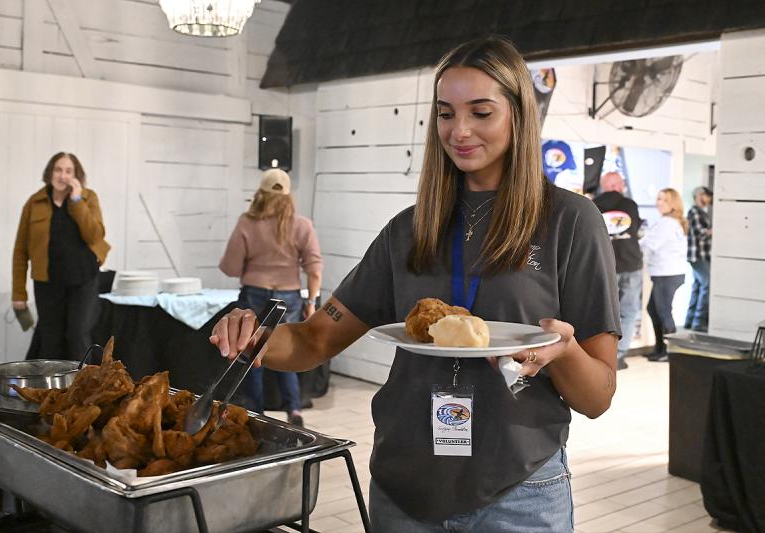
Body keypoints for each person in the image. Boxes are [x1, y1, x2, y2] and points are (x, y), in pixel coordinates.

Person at [213, 37, 620, 531]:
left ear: (519, 114)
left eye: (481, 112)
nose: (460, 130)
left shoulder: (570, 221)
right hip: (404, 488)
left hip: (519, 491)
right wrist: (253, 336)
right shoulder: (409, 228)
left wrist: (566, 351)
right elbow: (313, 339)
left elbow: (597, 396)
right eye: (446, 113)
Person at [219, 168, 322, 427]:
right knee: (288, 352)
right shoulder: (302, 225)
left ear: (260, 194)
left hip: (254, 292)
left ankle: (256, 413)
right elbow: (314, 269)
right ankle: (294, 409)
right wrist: (311, 303)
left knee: (252, 354)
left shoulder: (247, 222)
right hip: (289, 296)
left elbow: (230, 268)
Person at [12, 152, 110, 360]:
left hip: (83, 280)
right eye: (58, 169)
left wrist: (76, 200)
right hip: (47, 283)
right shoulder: (34, 202)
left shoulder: (88, 198)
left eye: (68, 171)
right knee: (50, 339)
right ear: (50, 173)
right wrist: (19, 293)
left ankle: (86, 389)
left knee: (77, 335)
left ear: (76, 176)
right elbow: (20, 250)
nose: (62, 175)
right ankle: (52, 391)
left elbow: (95, 234)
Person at [594, 171, 643, 370]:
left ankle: (602, 355)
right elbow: (637, 228)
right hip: (631, 264)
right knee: (629, 312)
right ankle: (619, 356)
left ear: (605, 185)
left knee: (603, 312)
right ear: (618, 185)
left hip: (605, 266)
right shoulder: (630, 205)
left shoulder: (594, 204)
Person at [639, 188, 688, 362]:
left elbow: (650, 244)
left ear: (673, 204)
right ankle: (660, 348)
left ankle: (669, 352)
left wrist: (633, 245)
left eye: (664, 200)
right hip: (667, 273)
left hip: (667, 273)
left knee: (663, 312)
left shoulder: (667, 223)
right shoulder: (668, 222)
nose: (658, 202)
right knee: (653, 309)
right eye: (658, 198)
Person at [684, 186, 713, 332]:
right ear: (699, 195)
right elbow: (699, 233)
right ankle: (698, 323)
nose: (708, 199)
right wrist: (715, 230)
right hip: (698, 256)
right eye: (706, 196)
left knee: (698, 286)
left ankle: (690, 321)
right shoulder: (694, 211)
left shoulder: (702, 212)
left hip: (702, 255)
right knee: (707, 285)